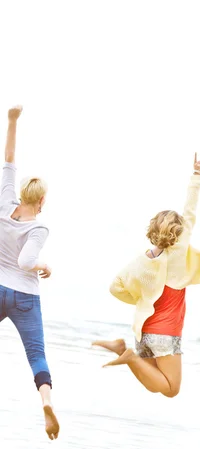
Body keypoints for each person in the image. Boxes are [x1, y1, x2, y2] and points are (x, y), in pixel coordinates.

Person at [93, 153, 200, 398]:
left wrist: (140, 298)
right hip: (166, 332)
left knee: (154, 382)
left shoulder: (143, 261)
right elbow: (190, 210)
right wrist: (197, 174)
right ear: (178, 231)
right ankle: (128, 356)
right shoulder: (179, 252)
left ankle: (123, 350)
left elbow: (115, 287)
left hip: (145, 331)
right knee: (171, 389)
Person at [0, 105, 59, 440]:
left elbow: (9, 159)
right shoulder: (40, 228)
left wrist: (11, 121)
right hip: (25, 297)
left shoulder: (5, 201)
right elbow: (26, 263)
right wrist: (43, 265)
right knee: (36, 354)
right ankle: (47, 403)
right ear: (42, 201)